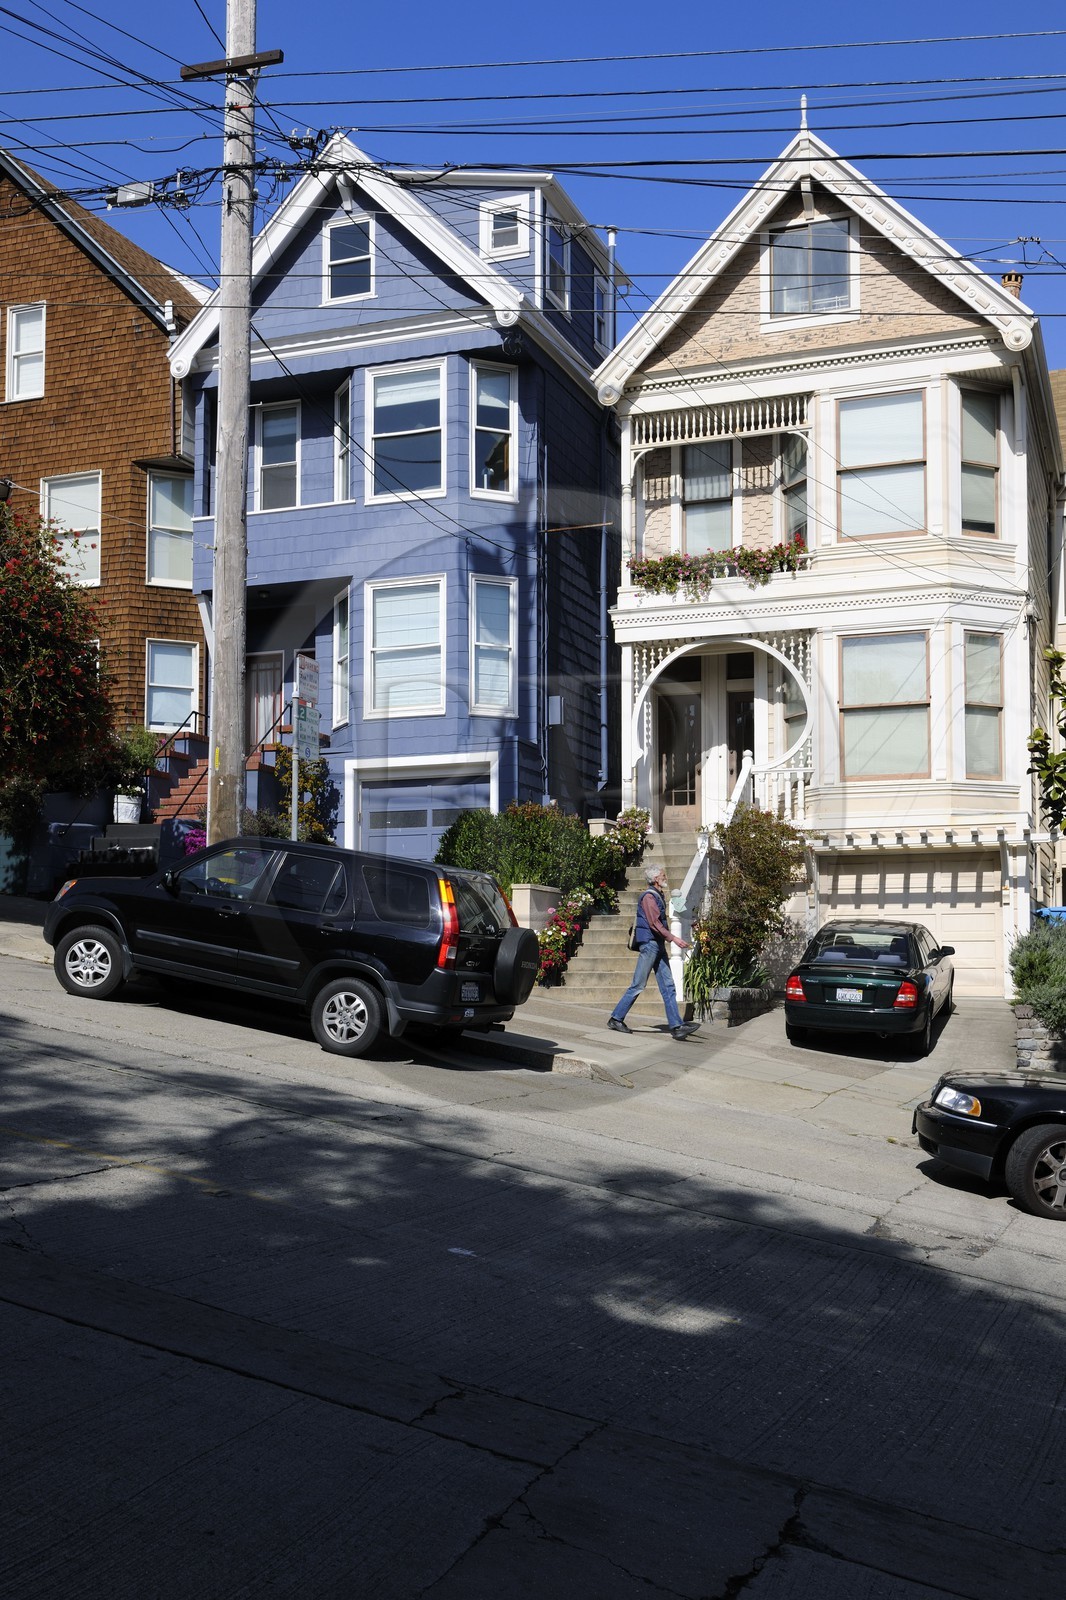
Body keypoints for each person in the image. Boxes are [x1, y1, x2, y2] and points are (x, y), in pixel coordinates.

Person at [608, 863, 700, 1040]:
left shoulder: (658, 895)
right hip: (650, 945)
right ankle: (616, 1018)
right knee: (638, 984)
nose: (665, 877)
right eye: (663, 875)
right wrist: (674, 938)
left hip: (657, 945)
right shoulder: (649, 897)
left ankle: (676, 1026)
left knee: (668, 986)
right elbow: (654, 924)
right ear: (656, 878)